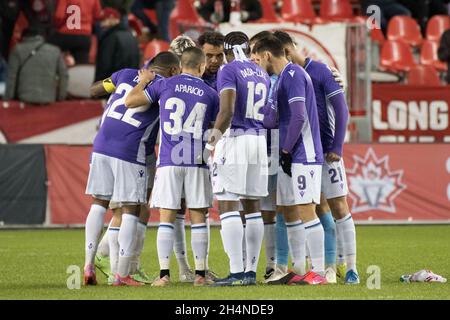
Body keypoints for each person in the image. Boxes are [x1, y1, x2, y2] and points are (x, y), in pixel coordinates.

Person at [83, 51, 181, 286]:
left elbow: (94, 90)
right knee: (131, 210)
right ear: (174, 71)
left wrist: (120, 83)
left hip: (101, 144)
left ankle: (88, 265)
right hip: (130, 150)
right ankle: (122, 274)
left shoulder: (125, 74)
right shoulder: (165, 86)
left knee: (99, 203)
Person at [271, 30, 359, 285]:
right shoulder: (283, 78)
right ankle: (321, 267)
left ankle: (349, 267)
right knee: (315, 207)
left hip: (327, 151)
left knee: (338, 206)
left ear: (287, 50)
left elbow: (341, 110)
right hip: (305, 153)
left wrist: (337, 147)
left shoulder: (321, 71)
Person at [127, 47, 219, 287]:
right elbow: (218, 125)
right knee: (199, 216)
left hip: (169, 161)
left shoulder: (166, 85)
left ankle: (164, 275)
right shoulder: (210, 93)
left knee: (167, 217)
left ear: (180, 64)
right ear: (200, 67)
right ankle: (200, 275)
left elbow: (131, 101)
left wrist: (143, 82)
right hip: (197, 161)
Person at [252, 35, 327, 285]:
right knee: (290, 211)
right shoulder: (282, 78)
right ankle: (300, 269)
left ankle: (318, 271)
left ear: (267, 56)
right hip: (292, 154)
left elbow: (298, 117)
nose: (255, 64)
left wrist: (285, 149)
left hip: (303, 153)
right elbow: (271, 120)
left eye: (256, 58)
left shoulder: (293, 75)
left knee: (307, 210)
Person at [204, 31, 269, 286]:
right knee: (253, 208)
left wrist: (211, 141)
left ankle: (236, 273)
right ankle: (251, 272)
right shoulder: (260, 71)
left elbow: (227, 110)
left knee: (228, 204)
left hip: (236, 138)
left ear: (227, 50)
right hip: (258, 140)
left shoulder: (228, 70)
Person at [4, 27, 67, 104]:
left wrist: (8, 98)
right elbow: (64, 75)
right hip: (48, 100)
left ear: (23, 37)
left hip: (24, 99)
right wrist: (61, 97)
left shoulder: (17, 50)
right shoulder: (55, 50)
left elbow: (11, 76)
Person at [94, 7, 140, 82]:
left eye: (103, 20)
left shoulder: (110, 37)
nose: (101, 25)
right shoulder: (131, 35)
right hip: (128, 83)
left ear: (112, 18)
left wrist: (97, 84)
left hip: (112, 84)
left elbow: (104, 65)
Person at [49, 0, 102, 64]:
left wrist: (56, 26)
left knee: (49, 50)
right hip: (84, 36)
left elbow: (59, 16)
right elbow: (97, 15)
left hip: (65, 34)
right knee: (82, 64)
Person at [197, 0, 263, 24]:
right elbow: (204, 10)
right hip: (221, 27)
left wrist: (248, 15)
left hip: (243, 27)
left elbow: (259, 13)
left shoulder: (250, 1)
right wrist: (211, 16)